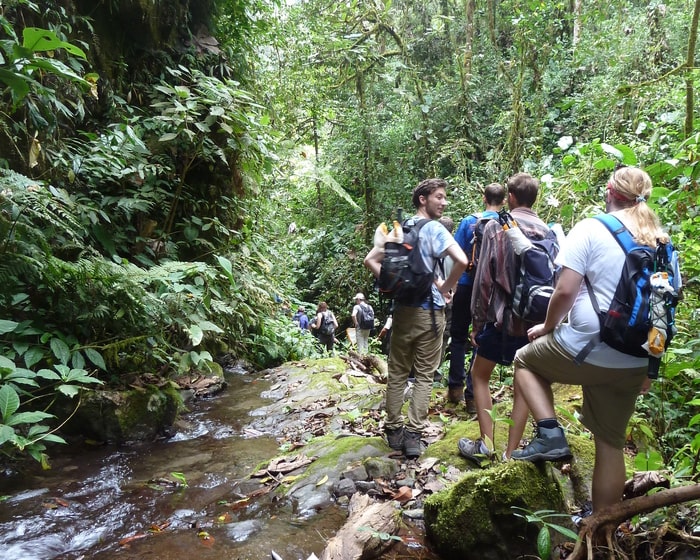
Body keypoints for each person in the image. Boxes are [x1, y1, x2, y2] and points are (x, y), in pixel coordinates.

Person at [508, 166, 669, 512]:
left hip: (588, 347)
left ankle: (550, 433)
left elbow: (565, 290)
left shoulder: (592, 228)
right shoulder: (661, 240)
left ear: (609, 191)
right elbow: (663, 310)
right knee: (609, 442)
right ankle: (603, 529)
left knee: (524, 360)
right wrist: (651, 369)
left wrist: (548, 327)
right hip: (636, 358)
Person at [364, 178, 467, 458]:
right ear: (423, 199)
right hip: (429, 313)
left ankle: (393, 429)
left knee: (397, 372)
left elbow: (370, 260)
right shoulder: (434, 229)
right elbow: (462, 261)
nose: (444, 202)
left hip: (402, 310)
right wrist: (444, 289)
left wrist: (395, 286)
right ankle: (413, 435)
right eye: (439, 197)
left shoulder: (400, 227)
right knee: (423, 375)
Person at [457, 173, 550, 464]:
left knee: (479, 375)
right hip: (535, 323)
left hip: (502, 320)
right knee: (524, 381)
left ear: (510, 197)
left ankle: (487, 445)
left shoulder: (499, 226)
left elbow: (485, 279)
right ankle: (511, 453)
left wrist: (477, 322)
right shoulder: (549, 231)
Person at [447, 183, 506, 413]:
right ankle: (474, 397)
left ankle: (454, 389)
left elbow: (458, 255)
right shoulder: (506, 222)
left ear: (484, 198)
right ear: (504, 200)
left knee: (458, 336)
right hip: (491, 289)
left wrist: (450, 285)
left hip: (464, 284)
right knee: (481, 338)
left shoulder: (468, 221)